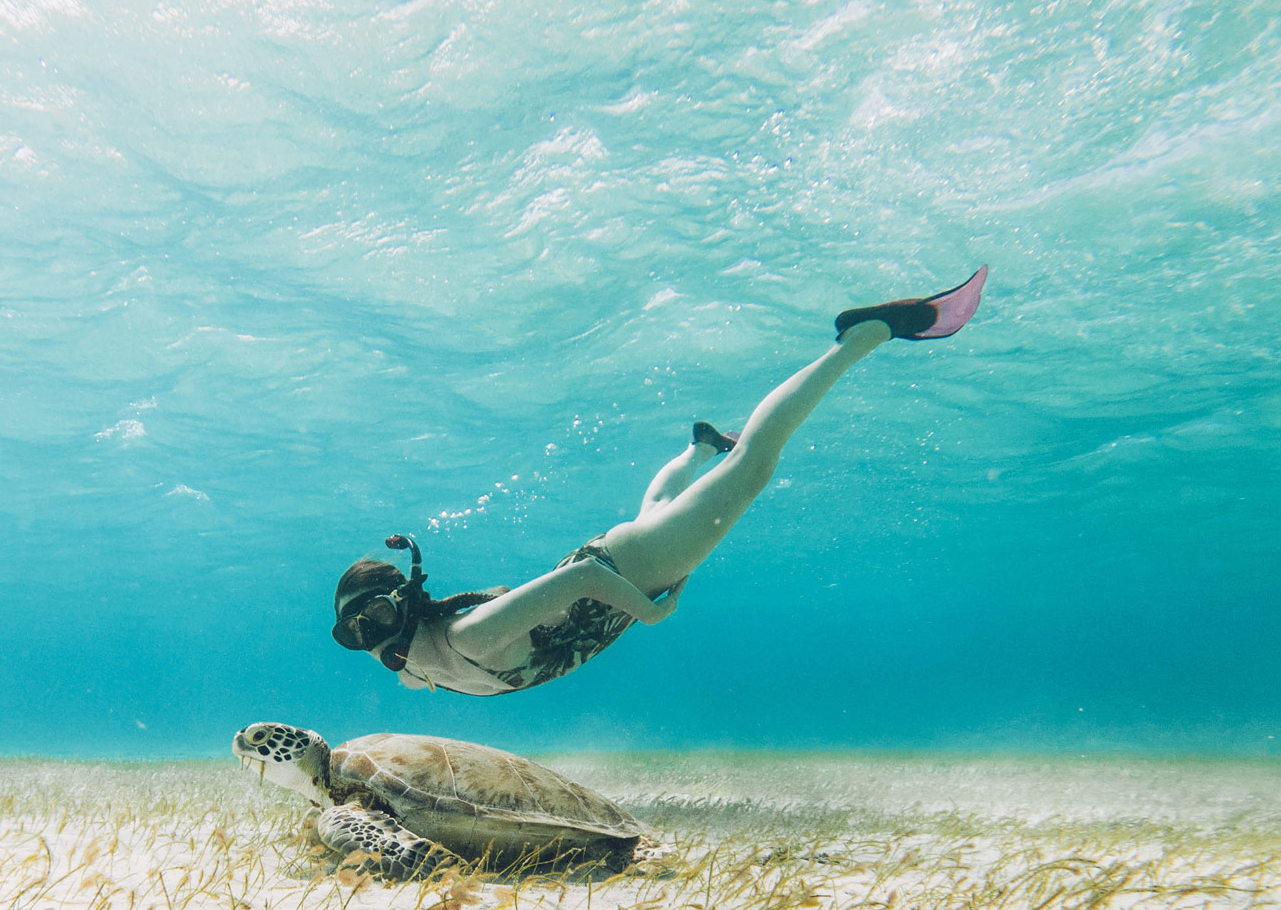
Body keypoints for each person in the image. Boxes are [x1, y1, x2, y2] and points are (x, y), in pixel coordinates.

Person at [331, 267, 989, 696]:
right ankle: (696, 447)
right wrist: (401, 643)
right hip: (626, 560)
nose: (371, 637)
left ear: (407, 605)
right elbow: (418, 676)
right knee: (659, 506)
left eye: (374, 618)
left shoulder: (465, 640)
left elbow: (580, 582)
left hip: (623, 571)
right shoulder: (422, 666)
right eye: (357, 631)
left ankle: (866, 334)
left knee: (753, 466)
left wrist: (649, 614)